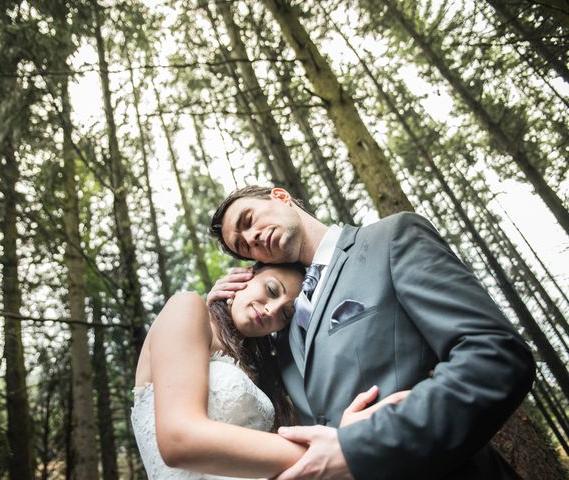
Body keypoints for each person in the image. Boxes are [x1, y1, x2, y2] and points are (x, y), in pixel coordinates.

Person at [208, 186, 536, 480]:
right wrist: (216, 316)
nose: (250, 239)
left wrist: (357, 447)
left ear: (280, 197)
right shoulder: (281, 326)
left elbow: (494, 355)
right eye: (242, 246)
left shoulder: (390, 238)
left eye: (248, 220)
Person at [131, 262, 408, 479]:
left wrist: (340, 431)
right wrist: (339, 446)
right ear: (244, 276)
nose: (272, 310)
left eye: (286, 314)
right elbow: (180, 440)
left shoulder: (260, 372)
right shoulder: (186, 307)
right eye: (272, 290)